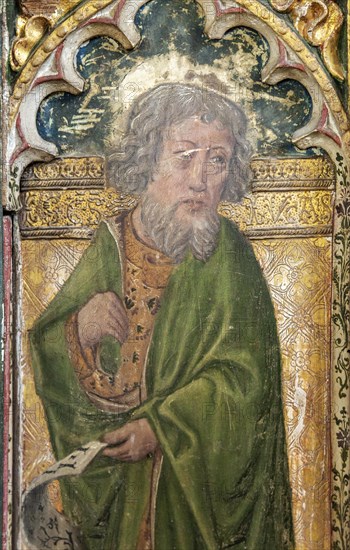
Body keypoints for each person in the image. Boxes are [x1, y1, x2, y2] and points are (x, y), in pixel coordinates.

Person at [30, 83, 294, 549]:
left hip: (195, 509)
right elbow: (45, 346)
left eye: (217, 160)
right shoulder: (110, 244)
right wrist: (78, 331)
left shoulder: (229, 257)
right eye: (185, 155)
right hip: (122, 496)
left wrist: (162, 428)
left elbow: (246, 386)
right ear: (148, 161)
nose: (201, 179)